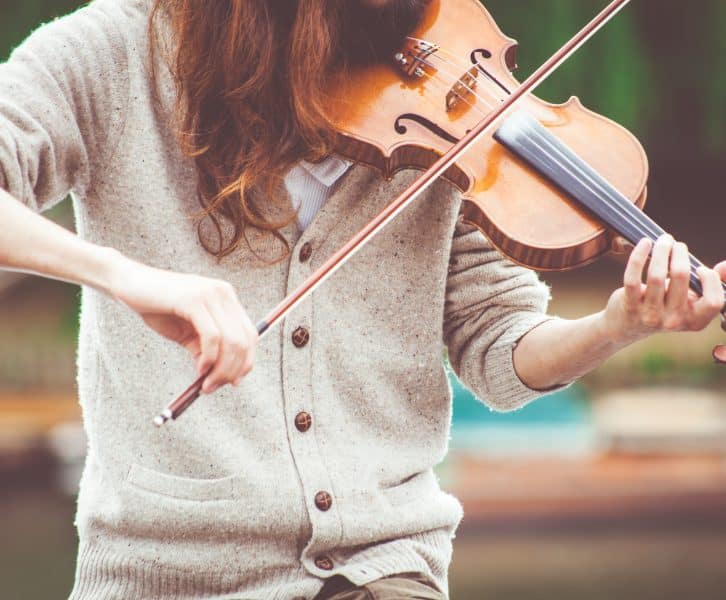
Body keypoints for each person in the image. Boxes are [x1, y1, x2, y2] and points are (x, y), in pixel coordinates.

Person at [0, 0, 723, 598]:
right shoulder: (110, 55)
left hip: (388, 569)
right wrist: (123, 275)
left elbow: (500, 347)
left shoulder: (443, 91)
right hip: (173, 573)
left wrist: (618, 323)